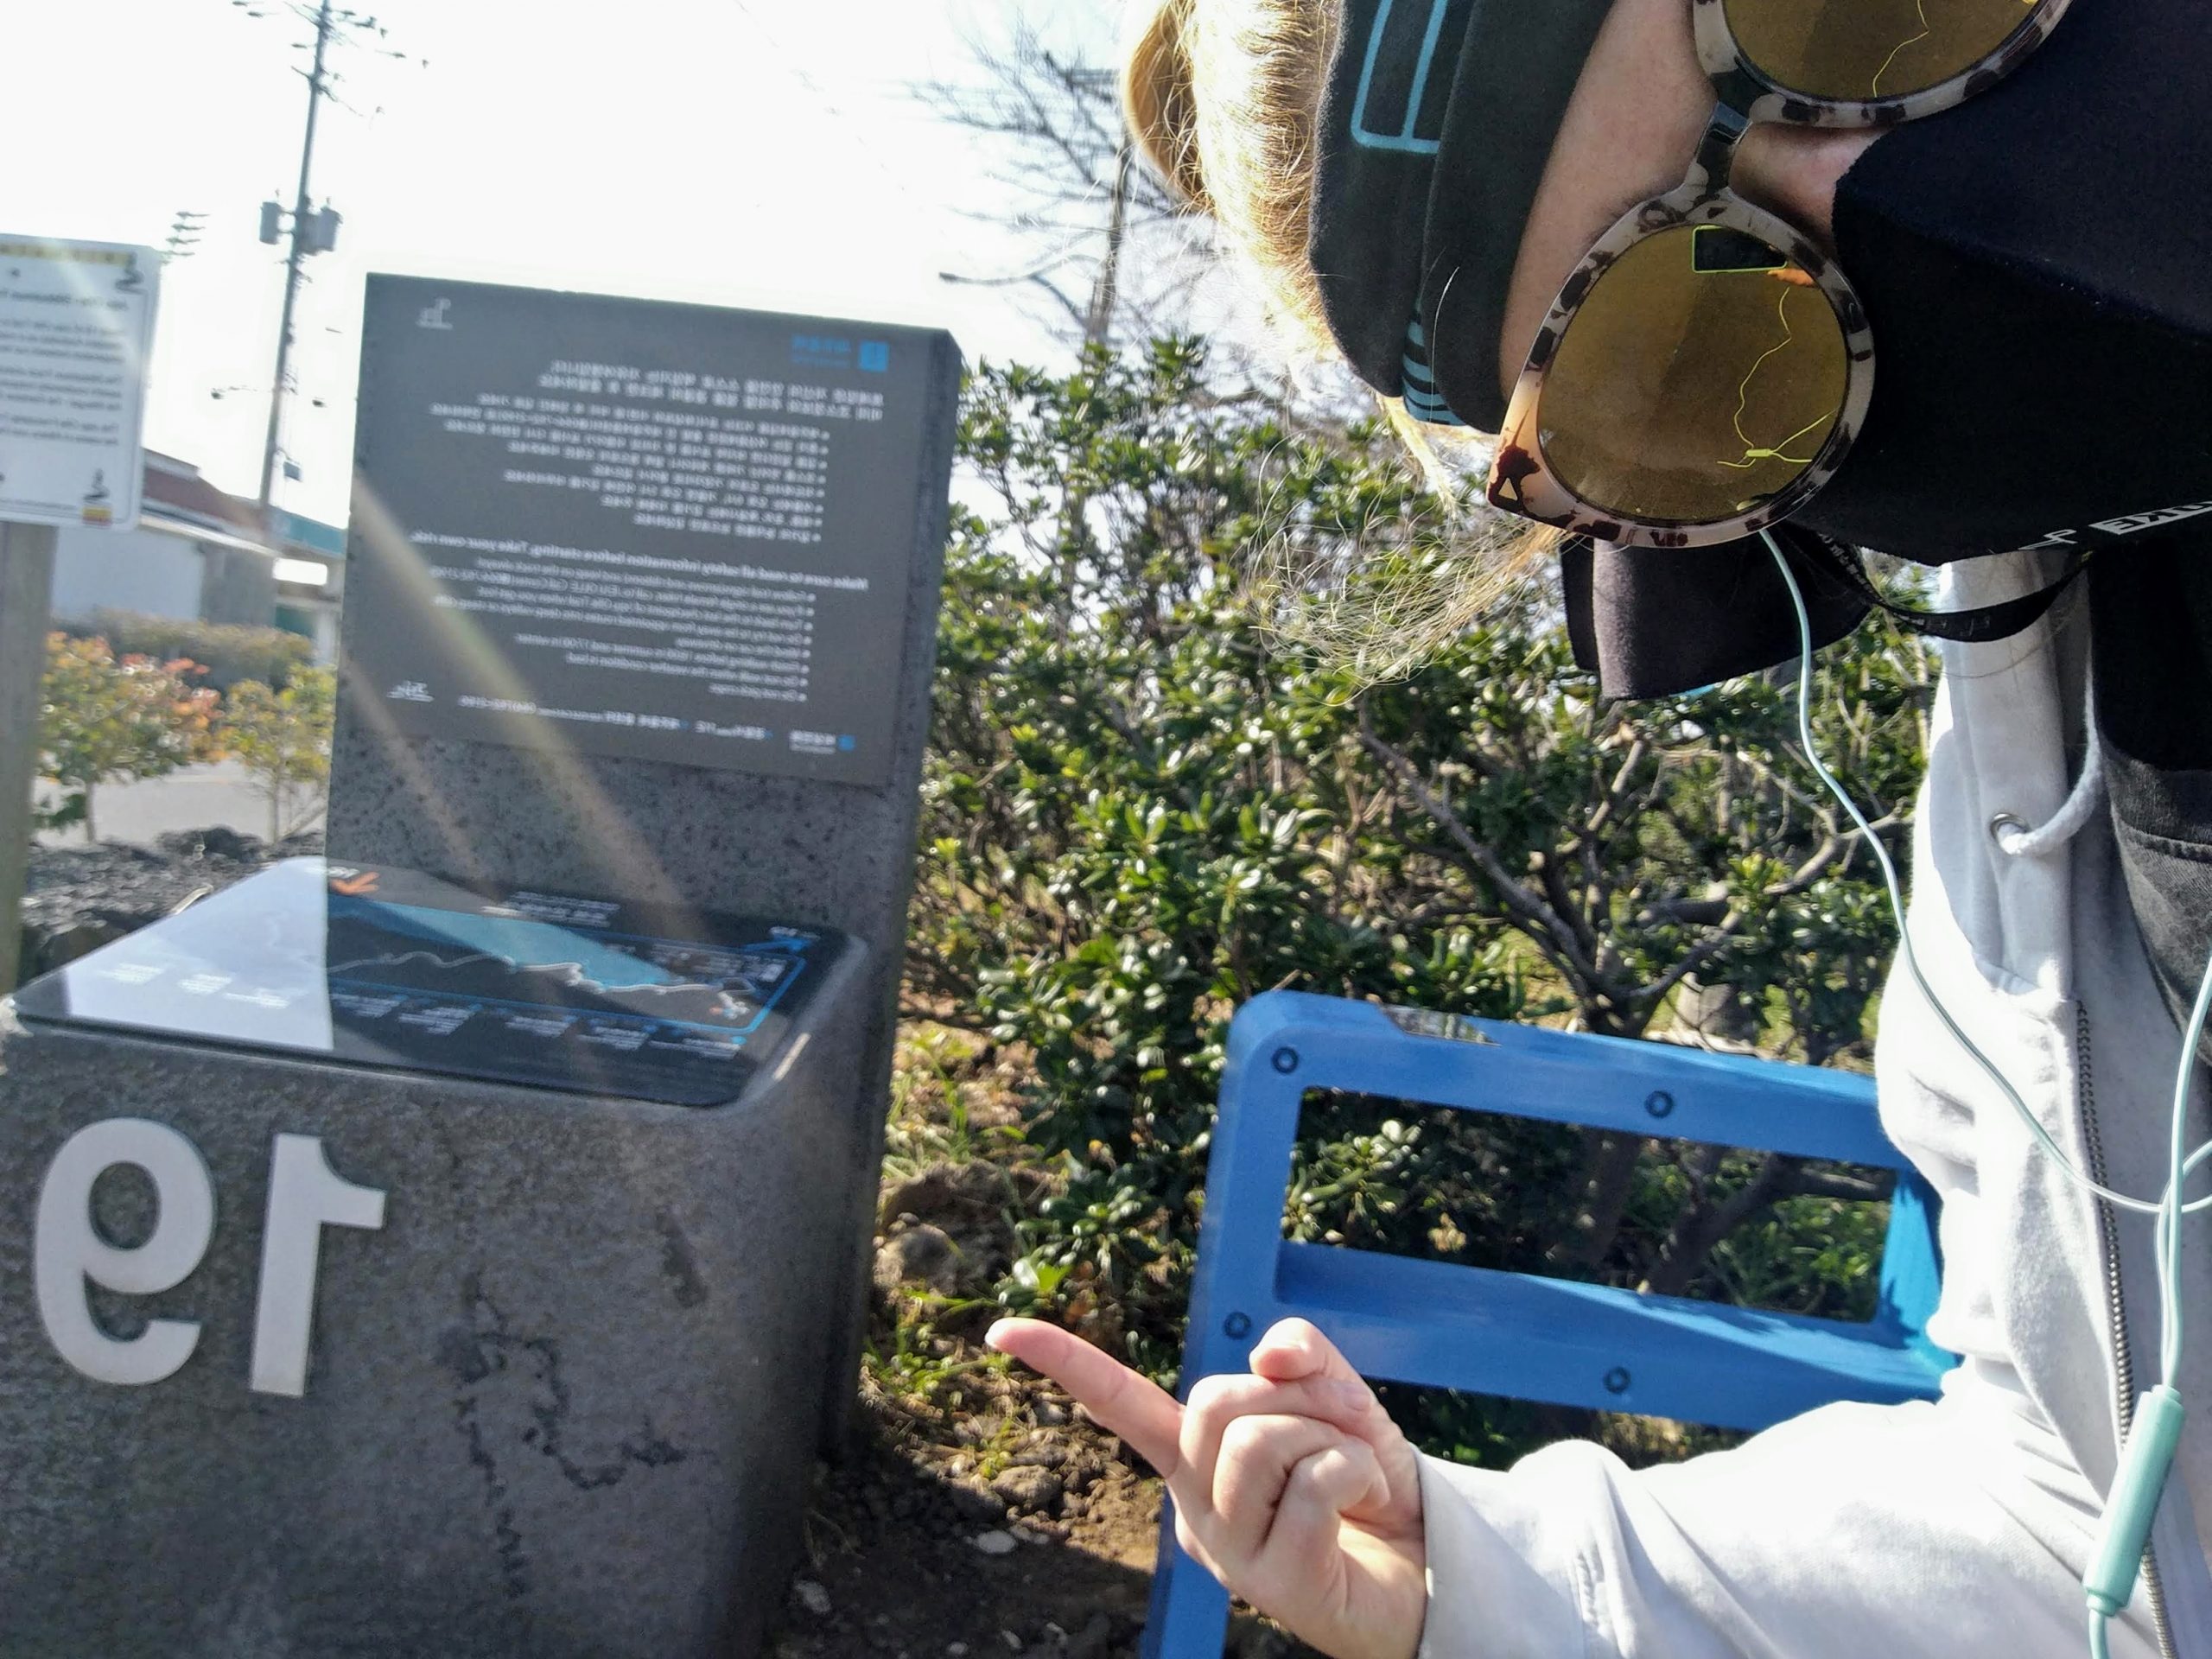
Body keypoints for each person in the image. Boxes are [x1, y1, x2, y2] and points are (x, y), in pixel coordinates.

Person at [985, 0, 2212, 1655]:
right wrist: (1487, 1576)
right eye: (1698, 346)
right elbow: (2092, 1518)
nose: (1851, 191)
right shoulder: (2032, 819)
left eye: (1851, 12)